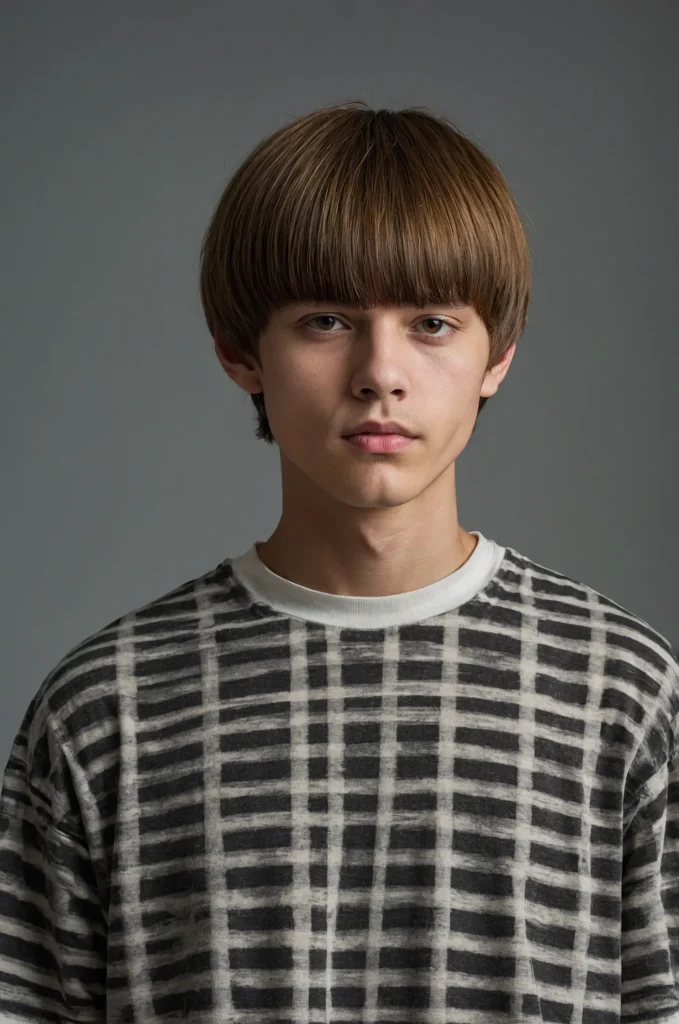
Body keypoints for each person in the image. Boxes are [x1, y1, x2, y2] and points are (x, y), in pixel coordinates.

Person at [1, 100, 677, 1024]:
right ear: (243, 352)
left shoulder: (622, 691)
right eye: (326, 319)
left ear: (498, 356)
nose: (380, 372)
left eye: (433, 323)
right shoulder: (104, 709)